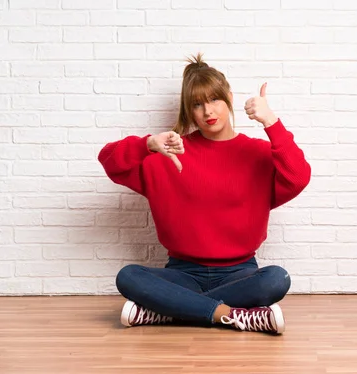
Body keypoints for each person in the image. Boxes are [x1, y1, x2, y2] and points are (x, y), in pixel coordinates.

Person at [97, 52, 311, 335]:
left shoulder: (257, 154)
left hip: (241, 274)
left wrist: (271, 122)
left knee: (276, 279)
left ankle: (169, 311)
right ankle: (231, 315)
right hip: (182, 274)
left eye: (214, 100)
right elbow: (109, 161)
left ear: (229, 98)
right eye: (197, 104)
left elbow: (298, 177)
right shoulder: (168, 153)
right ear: (188, 111)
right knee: (129, 277)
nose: (208, 112)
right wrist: (147, 144)